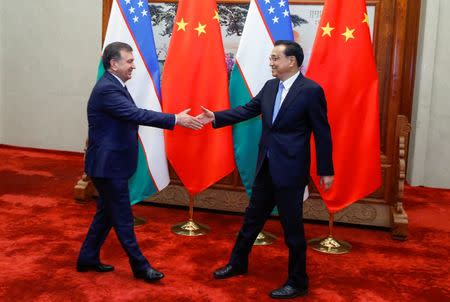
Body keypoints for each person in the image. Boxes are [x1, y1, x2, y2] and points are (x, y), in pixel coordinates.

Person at [197, 40, 334, 299]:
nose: (270, 62)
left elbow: (322, 133)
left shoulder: (311, 91)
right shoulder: (270, 87)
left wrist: (326, 170)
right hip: (266, 167)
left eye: (274, 58)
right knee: (251, 220)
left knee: (292, 229)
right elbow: (248, 110)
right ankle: (238, 263)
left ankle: (298, 282)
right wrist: (216, 116)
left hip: (291, 171)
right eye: (271, 58)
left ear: (291, 61)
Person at [77, 42, 203, 283]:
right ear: (114, 64)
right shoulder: (108, 89)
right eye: (130, 61)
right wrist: (176, 119)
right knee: (123, 217)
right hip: (108, 165)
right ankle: (140, 266)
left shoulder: (114, 85)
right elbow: (135, 114)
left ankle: (87, 257)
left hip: (109, 163)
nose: (133, 65)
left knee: (105, 214)